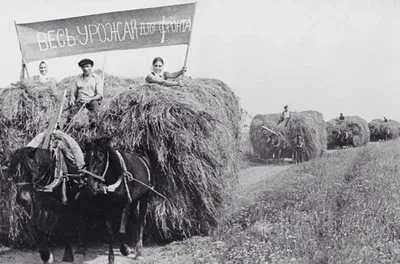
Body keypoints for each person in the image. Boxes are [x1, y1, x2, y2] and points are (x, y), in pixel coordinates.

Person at [67, 58, 103, 124]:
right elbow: (73, 92)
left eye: (87, 66)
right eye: (83, 67)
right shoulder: (77, 78)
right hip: (80, 102)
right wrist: (72, 98)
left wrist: (90, 99)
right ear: (81, 68)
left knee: (95, 117)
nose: (85, 69)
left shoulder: (96, 78)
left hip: (92, 101)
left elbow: (99, 95)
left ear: (91, 67)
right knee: (71, 118)